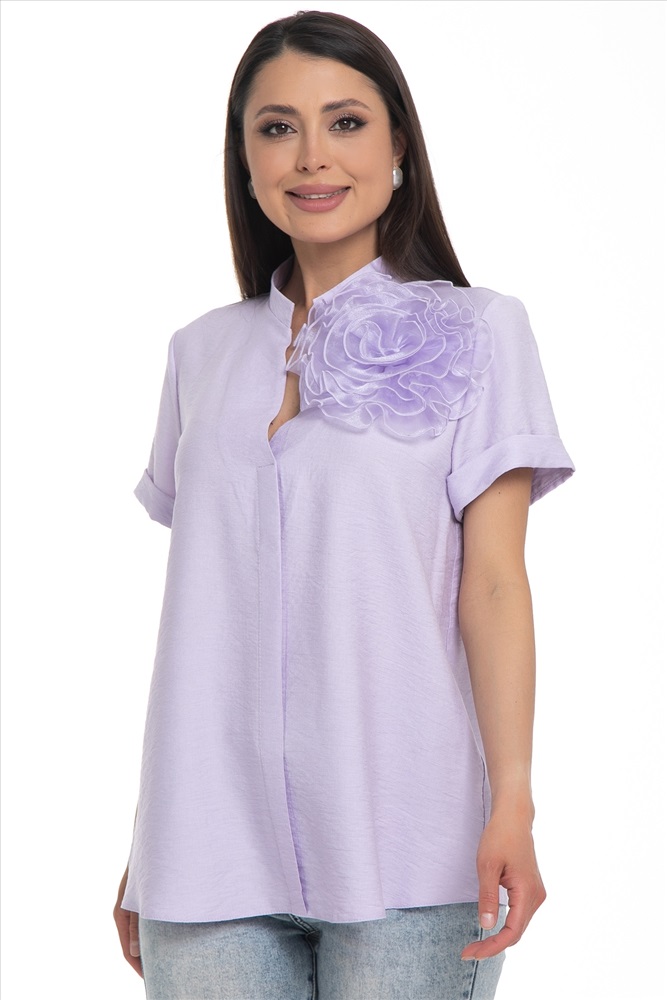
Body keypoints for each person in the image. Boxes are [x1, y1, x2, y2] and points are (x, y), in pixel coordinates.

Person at [113, 10, 574, 999]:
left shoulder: (481, 330)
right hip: (204, 853)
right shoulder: (200, 353)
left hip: (409, 844)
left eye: (346, 122)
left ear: (398, 145)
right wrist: (148, 838)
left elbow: (495, 585)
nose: (311, 156)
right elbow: (204, 620)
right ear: (244, 159)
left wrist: (512, 799)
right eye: (277, 127)